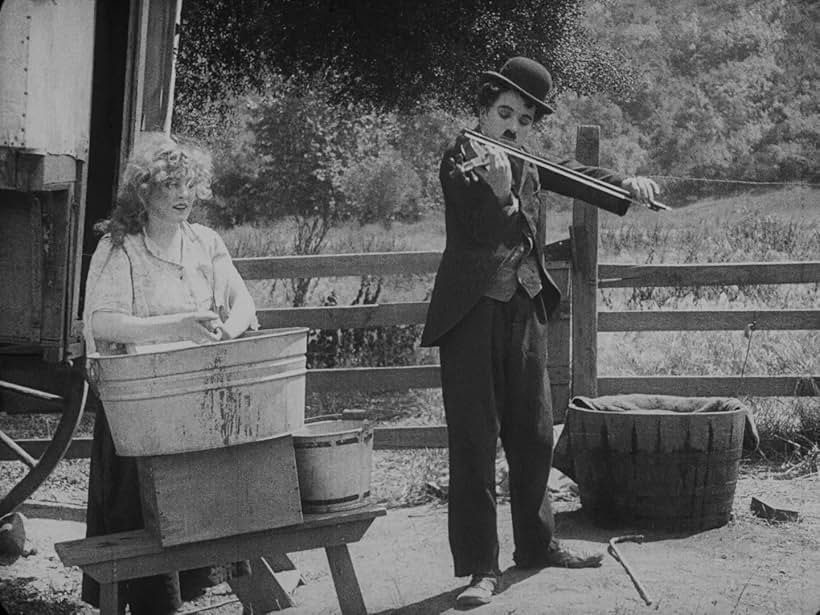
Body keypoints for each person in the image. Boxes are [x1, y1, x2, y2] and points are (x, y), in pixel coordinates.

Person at [420, 57, 660, 608]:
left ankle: (537, 544)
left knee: (532, 435)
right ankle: (482, 568)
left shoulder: (522, 157)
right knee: (475, 441)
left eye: (524, 120)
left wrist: (628, 187)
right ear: (483, 109)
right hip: (470, 317)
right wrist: (504, 195)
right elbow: (482, 229)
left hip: (525, 309)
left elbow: (573, 173)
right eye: (505, 113)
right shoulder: (460, 158)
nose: (512, 127)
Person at [80, 132, 259, 614]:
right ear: (145, 191)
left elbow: (242, 300)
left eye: (189, 185)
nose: (183, 195)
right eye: (170, 185)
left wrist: (228, 328)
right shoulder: (122, 247)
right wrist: (176, 325)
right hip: (142, 408)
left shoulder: (205, 242)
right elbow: (101, 321)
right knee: (145, 528)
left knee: (197, 511)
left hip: (197, 401)